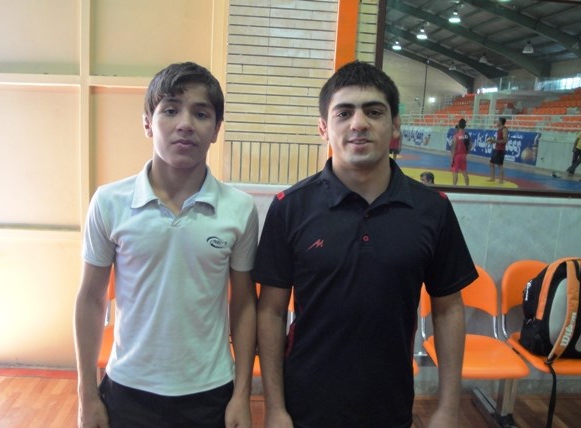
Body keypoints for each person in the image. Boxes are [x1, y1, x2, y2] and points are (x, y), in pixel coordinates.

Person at [254, 61, 477, 428]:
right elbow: (271, 313)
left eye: (374, 112)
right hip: (304, 407)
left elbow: (449, 310)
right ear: (323, 128)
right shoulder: (289, 208)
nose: (358, 123)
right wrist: (275, 408)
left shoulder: (432, 209)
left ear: (395, 125)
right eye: (344, 113)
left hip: (390, 407)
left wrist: (448, 409)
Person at [74, 62, 259, 428]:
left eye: (201, 114)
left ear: (216, 129)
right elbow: (91, 299)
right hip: (128, 390)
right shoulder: (109, 202)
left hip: (211, 392)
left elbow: (243, 305)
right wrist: (86, 395)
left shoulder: (239, 209)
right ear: (147, 123)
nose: (185, 124)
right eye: (171, 110)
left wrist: (242, 394)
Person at [487, 117, 508, 184]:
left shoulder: (504, 129)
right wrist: (493, 141)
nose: (496, 122)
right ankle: (492, 178)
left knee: (500, 165)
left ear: (501, 122)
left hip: (500, 150)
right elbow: (498, 140)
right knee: (491, 164)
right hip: (496, 149)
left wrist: (495, 141)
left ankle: (501, 180)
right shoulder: (499, 129)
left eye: (497, 121)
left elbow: (504, 140)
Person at [451, 118, 470, 186]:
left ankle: (454, 187)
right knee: (464, 172)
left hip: (457, 156)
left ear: (458, 125)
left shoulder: (456, 136)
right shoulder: (467, 135)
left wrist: (451, 159)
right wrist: (466, 154)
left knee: (455, 172)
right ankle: (467, 187)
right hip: (463, 156)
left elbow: (453, 149)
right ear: (465, 126)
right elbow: (470, 145)